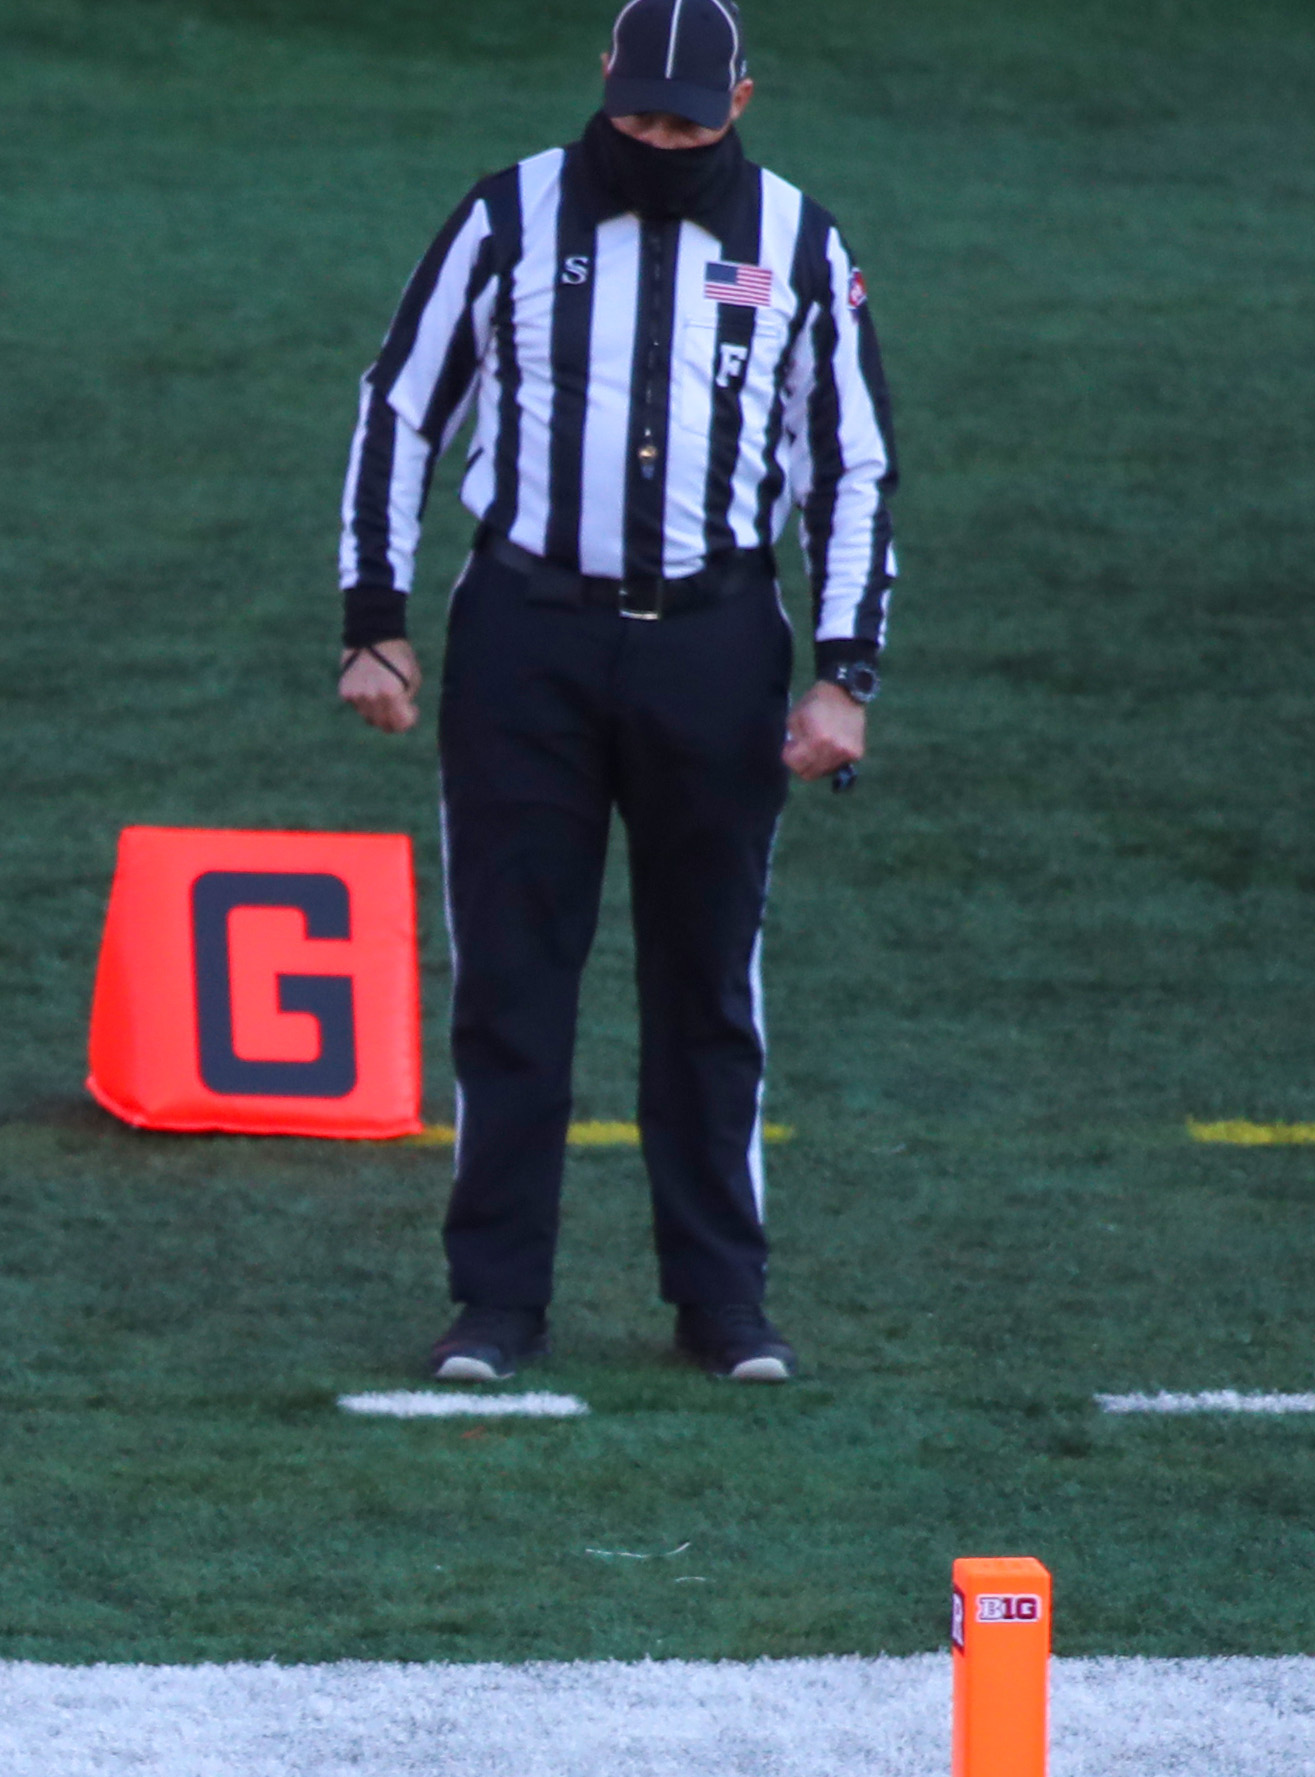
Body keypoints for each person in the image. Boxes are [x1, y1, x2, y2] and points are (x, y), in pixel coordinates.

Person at [335, 0, 897, 1385]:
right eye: (637, 115)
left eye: (686, 121)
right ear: (603, 84)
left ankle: (723, 1303)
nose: (656, 141)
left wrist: (844, 675)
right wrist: (373, 622)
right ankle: (497, 1304)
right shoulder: (507, 216)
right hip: (529, 637)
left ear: (743, 100)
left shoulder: (801, 245)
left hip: (715, 646)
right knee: (512, 984)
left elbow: (854, 467)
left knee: (708, 987)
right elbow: (402, 406)